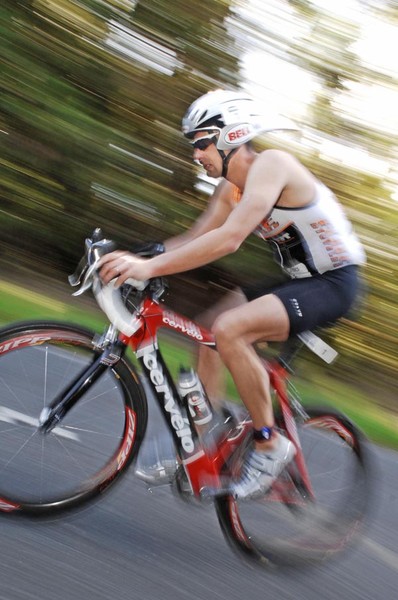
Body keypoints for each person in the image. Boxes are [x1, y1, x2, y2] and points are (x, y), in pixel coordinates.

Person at [98, 90, 366, 499]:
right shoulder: (230, 187)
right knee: (207, 329)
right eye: (193, 145)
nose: (196, 154)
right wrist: (132, 258)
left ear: (231, 135)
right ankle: (204, 444)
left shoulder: (271, 165)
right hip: (299, 282)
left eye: (201, 142)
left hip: (336, 284)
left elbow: (230, 238)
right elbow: (195, 238)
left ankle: (268, 441)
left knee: (230, 329)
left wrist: (149, 269)